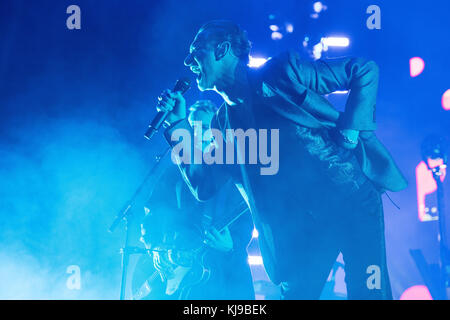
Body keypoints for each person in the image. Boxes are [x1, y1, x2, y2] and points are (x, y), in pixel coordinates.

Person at [155, 20, 408, 299]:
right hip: (302, 229)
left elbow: (364, 70)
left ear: (222, 50)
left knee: (368, 293)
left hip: (349, 200)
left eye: (197, 51)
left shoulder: (282, 73)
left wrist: (350, 133)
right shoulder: (222, 125)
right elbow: (203, 186)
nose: (188, 61)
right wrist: (179, 126)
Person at [138, 100, 255, 300]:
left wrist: (231, 245)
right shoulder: (172, 175)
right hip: (176, 269)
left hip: (223, 277)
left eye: (206, 127)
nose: (198, 132)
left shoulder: (234, 172)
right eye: (193, 127)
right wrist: (155, 246)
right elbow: (153, 213)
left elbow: (249, 216)